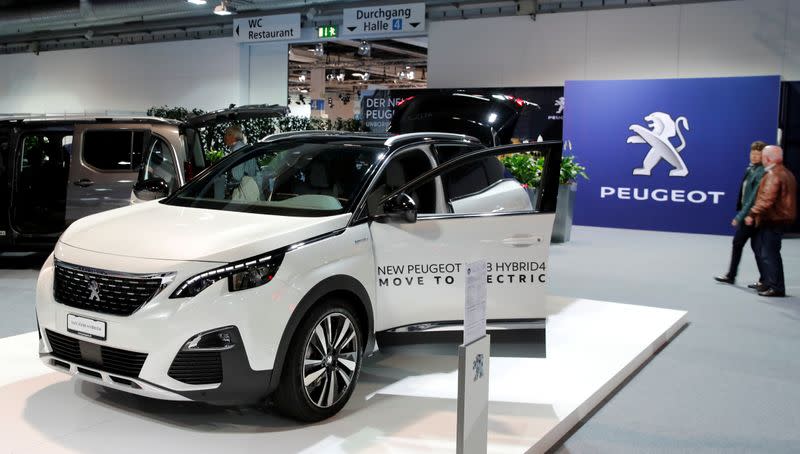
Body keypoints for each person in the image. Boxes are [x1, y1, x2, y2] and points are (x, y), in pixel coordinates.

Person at [744, 145, 797, 297]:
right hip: (779, 219)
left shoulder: (774, 175)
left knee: (769, 254)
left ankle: (776, 287)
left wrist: (752, 213)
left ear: (767, 158)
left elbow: (767, 199)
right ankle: (768, 282)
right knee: (767, 252)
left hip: (773, 220)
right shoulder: (785, 172)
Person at [715, 141, 767, 286]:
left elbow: (752, 198)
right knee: (757, 248)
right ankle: (764, 279)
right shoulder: (750, 169)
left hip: (751, 216)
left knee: (738, 243)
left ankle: (731, 275)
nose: (754, 156)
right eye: (752, 153)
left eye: (758, 154)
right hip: (748, 214)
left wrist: (741, 216)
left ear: (764, 156)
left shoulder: (762, 172)